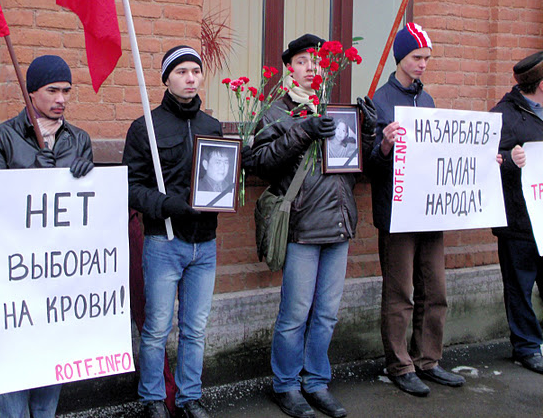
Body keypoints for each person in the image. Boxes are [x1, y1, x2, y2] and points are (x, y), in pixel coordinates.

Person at [250, 34, 377, 418]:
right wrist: (303, 130)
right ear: (289, 67)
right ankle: (286, 385)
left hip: (338, 224)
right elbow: (258, 163)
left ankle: (316, 380)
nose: (311, 68)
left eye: (317, 62)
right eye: (303, 61)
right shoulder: (275, 112)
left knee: (327, 313)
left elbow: (360, 168)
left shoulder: (335, 111)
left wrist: (366, 132)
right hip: (303, 227)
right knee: (295, 313)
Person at [0, 54, 94, 418]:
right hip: (19, 271)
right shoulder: (2, 137)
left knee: (50, 363)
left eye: (66, 91)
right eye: (52, 90)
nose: (61, 98)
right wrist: (31, 173)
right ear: (32, 94)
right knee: (16, 368)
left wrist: (87, 174)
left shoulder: (79, 140)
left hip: (59, 271)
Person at [122, 46, 222, 418]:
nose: (190, 77)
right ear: (166, 78)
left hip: (205, 243)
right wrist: (166, 204)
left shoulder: (213, 128)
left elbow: (223, 179)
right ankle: (152, 399)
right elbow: (130, 186)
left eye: (195, 70)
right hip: (163, 241)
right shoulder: (145, 126)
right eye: (181, 71)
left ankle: (189, 397)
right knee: (157, 329)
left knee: (195, 328)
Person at [366, 22, 465, 396]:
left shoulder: (427, 101)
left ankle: (428, 359)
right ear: (400, 58)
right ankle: (399, 364)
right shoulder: (380, 101)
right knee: (400, 292)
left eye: (426, 58)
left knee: (435, 289)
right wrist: (385, 145)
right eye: (416, 57)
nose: (422, 64)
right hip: (396, 213)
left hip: (429, 210)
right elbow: (370, 165)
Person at [490, 51, 543, 375]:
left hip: (542, 220)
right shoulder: (504, 115)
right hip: (519, 221)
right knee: (520, 286)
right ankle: (525, 346)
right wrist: (510, 158)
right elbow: (485, 158)